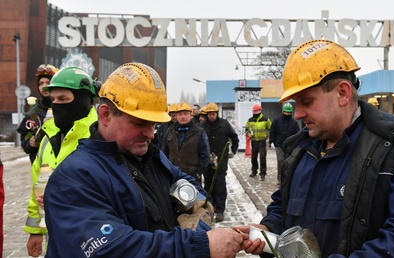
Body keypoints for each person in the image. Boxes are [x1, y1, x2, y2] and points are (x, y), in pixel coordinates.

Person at [236, 39, 394, 257]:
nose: (297, 113)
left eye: (306, 101)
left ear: (343, 93)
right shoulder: (300, 150)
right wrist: (269, 229)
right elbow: (284, 205)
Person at [43, 62, 244, 258]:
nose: (150, 134)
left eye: (154, 125)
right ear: (105, 115)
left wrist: (196, 205)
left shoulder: (150, 157)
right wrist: (197, 246)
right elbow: (111, 250)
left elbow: (184, 181)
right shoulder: (73, 179)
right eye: (140, 123)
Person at [24, 66, 99, 257]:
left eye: (64, 99)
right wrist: (36, 230)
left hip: (94, 239)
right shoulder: (47, 139)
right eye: (54, 99)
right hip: (55, 240)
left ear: (85, 100)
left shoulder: (99, 137)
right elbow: (39, 186)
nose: (57, 105)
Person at [202, 102, 239, 222]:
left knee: (220, 183)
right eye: (209, 114)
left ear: (217, 114)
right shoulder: (202, 126)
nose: (211, 116)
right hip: (207, 160)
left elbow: (234, 137)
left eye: (213, 114)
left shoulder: (224, 124)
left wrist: (233, 151)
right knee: (208, 184)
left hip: (221, 159)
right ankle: (209, 207)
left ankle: (220, 209)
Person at [17, 64, 58, 163]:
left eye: (48, 82)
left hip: (62, 167)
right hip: (40, 169)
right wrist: (30, 143)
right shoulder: (33, 113)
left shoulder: (66, 109)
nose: (44, 87)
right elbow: (24, 141)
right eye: (41, 83)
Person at [164, 101, 210, 185]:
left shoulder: (199, 132)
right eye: (180, 114)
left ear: (190, 115)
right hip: (174, 176)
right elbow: (164, 153)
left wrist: (198, 173)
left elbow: (205, 155)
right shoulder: (170, 131)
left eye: (185, 114)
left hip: (192, 176)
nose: (182, 117)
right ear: (176, 116)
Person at [269, 103, 300, 185]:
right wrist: (271, 141)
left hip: (290, 146)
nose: (287, 114)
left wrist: (296, 143)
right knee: (280, 161)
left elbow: (297, 134)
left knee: (288, 162)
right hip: (279, 144)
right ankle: (280, 178)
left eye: (289, 112)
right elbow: (272, 131)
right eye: (286, 112)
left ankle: (287, 178)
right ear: (283, 111)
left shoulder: (294, 123)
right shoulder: (277, 121)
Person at [245, 104, 271, 181]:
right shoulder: (250, 120)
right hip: (254, 141)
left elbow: (270, 128)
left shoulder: (266, 120)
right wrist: (248, 133)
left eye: (256, 111)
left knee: (262, 157)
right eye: (254, 111)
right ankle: (254, 171)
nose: (255, 112)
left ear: (260, 111)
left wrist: (267, 136)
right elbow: (246, 129)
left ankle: (263, 173)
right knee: (253, 157)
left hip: (262, 141)